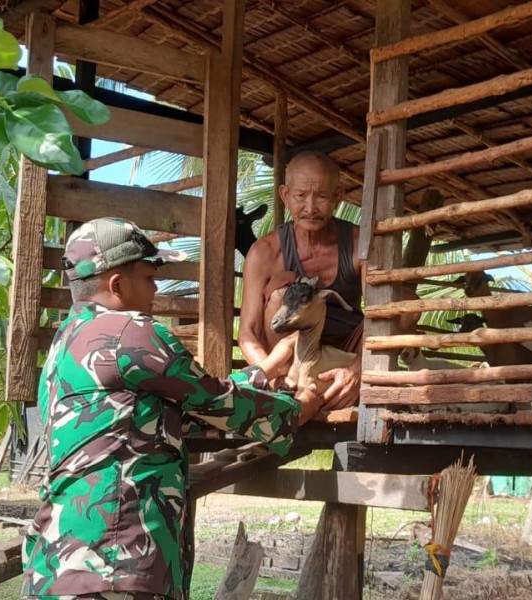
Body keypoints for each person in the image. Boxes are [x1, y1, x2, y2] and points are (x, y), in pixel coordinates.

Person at [21, 217, 325, 600]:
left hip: (59, 564)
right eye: (148, 277)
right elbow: (217, 402)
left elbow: (183, 397)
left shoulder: (67, 341)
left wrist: (264, 372)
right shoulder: (131, 333)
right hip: (113, 566)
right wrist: (294, 411)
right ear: (117, 285)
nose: (156, 287)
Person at [239, 152, 364, 409]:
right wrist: (274, 378)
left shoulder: (358, 244)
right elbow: (248, 334)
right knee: (279, 294)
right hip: (290, 362)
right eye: (300, 196)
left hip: (344, 354)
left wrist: (360, 369)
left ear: (338, 197)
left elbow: (382, 315)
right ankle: (290, 384)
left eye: (321, 196)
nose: (310, 207)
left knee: (401, 308)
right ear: (285, 195)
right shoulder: (265, 252)